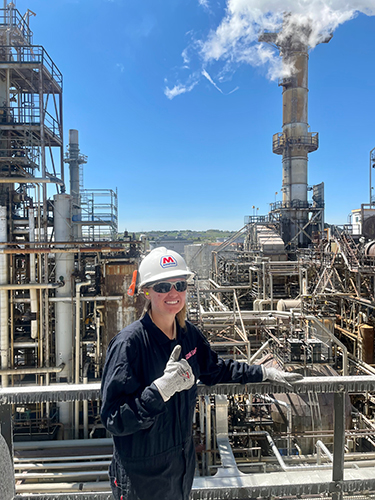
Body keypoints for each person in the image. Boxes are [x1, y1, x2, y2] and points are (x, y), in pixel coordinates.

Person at [100, 247, 302, 500]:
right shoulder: (130, 344)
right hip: (143, 477)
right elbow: (113, 419)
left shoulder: (188, 335)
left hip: (180, 468)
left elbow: (216, 370)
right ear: (146, 291)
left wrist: (262, 372)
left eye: (180, 284)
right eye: (163, 286)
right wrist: (159, 390)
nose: (173, 293)